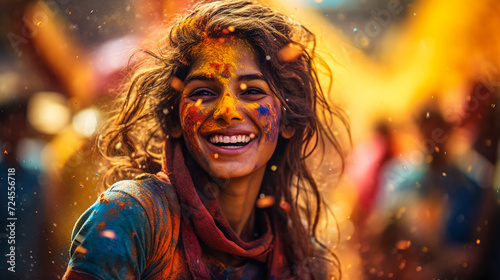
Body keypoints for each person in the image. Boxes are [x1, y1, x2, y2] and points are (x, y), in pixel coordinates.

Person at [62, 0, 348, 279]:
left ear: (286, 120)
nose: (227, 111)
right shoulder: (129, 219)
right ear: (173, 120)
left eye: (252, 92)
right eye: (203, 92)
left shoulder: (301, 256)